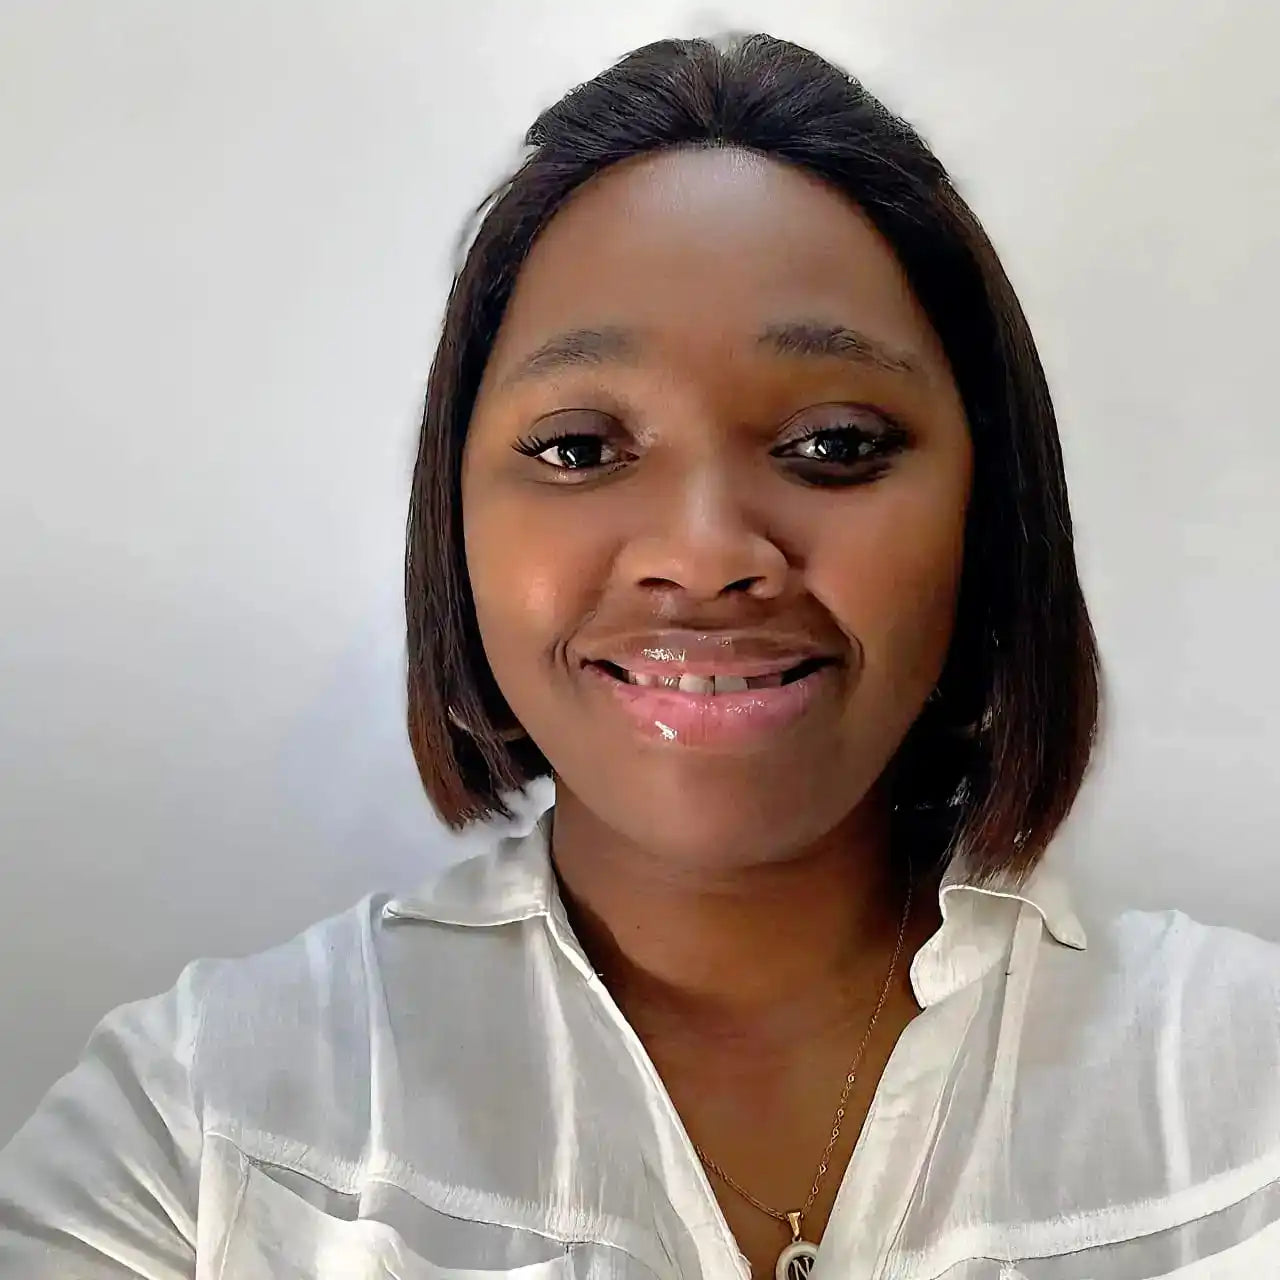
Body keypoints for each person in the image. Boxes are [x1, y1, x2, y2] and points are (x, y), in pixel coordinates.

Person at [3, 30, 1279, 1280]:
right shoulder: (198, 1129)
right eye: (578, 448)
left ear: (988, 514)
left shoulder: (1246, 1096)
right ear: (453, 523)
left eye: (834, 443)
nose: (704, 551)